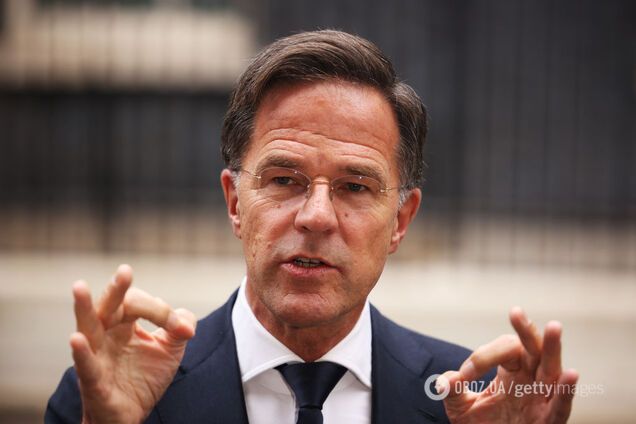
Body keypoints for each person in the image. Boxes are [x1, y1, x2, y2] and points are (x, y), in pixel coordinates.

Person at [46, 30, 578, 424]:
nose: (317, 216)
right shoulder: (114, 395)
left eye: (355, 187)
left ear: (401, 221)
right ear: (235, 203)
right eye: (284, 179)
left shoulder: (471, 400)